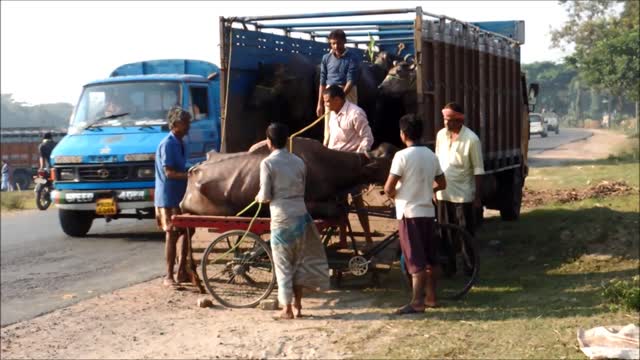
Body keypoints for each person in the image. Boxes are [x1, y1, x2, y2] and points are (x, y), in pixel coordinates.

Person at [255, 122, 329, 320]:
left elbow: (266, 194)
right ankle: (298, 306)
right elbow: (302, 188)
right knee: (298, 263)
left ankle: (286, 309)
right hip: (301, 215)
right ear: (287, 141)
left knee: (283, 264)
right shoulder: (299, 162)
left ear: (269, 142)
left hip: (281, 218)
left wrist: (259, 198)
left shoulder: (268, 163)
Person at [384, 114, 446, 314]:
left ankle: (416, 302)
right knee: (431, 259)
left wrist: (397, 195)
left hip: (409, 214)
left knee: (415, 260)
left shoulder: (401, 156)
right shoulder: (431, 155)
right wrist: (427, 191)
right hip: (428, 212)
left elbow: (388, 188)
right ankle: (431, 298)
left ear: (403, 134)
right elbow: (442, 183)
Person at [322, 85, 374, 248]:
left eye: (328, 102)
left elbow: (367, 138)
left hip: (351, 164)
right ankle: (342, 240)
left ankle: (368, 239)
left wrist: (358, 159)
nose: (326, 105)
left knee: (358, 202)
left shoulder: (355, 113)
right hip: (334, 164)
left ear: (338, 100)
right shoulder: (332, 114)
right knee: (340, 203)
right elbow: (332, 139)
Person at [435, 102, 484, 244]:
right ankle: (449, 267)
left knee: (465, 237)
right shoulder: (441, 136)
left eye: (450, 121)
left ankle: (470, 266)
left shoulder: (472, 139)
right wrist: (434, 188)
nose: (446, 123)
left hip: (463, 197)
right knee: (445, 237)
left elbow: (478, 170)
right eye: (445, 120)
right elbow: (437, 163)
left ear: (459, 120)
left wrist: (477, 197)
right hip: (443, 194)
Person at [154, 107, 193, 288]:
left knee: (187, 231)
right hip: (168, 197)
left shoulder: (180, 142)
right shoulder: (168, 144)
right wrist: (191, 176)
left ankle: (182, 271)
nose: (189, 126)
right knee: (171, 233)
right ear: (176, 124)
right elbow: (169, 173)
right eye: (186, 123)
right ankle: (169, 275)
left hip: (180, 195)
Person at [316, 29, 361, 147]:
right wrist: (320, 103)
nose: (336, 46)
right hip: (329, 93)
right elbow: (322, 81)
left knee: (348, 122)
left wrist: (339, 98)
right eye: (333, 43)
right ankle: (328, 146)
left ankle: (351, 148)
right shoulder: (326, 58)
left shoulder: (352, 58)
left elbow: (351, 80)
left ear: (344, 42)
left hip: (347, 91)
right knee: (329, 124)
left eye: (338, 43)